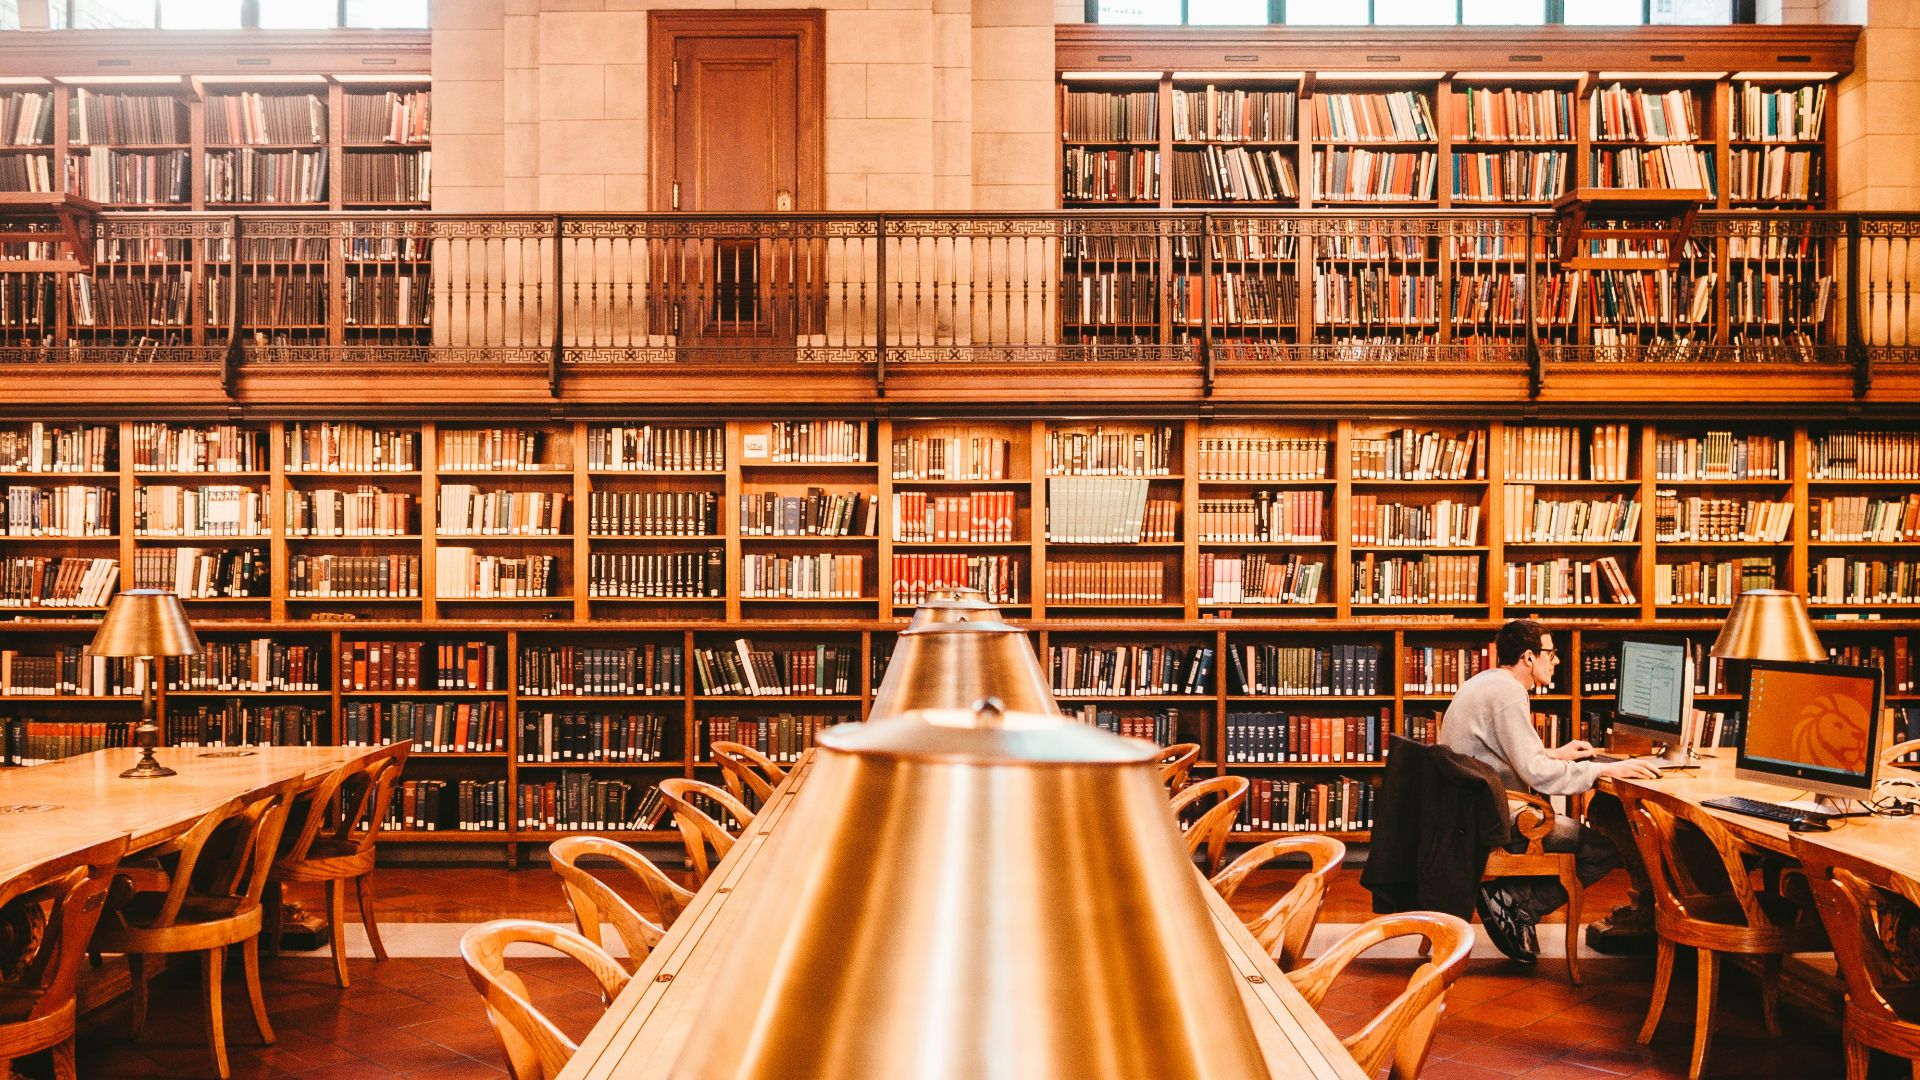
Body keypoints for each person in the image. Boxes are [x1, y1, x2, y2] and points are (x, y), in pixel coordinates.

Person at [1440, 618, 1659, 964]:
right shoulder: (1509, 694)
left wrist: (1554, 753)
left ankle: (1511, 901)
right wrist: (1603, 768)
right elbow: (1538, 776)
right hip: (1493, 816)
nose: (1556, 661)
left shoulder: (1488, 682)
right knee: (1604, 849)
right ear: (1529, 657)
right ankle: (1516, 902)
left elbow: (1505, 755)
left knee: (1591, 835)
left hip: (1469, 810)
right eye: (1551, 653)